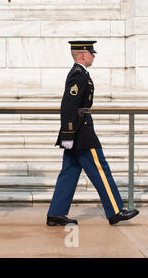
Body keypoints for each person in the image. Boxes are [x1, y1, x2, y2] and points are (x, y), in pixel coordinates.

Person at [47, 41, 139, 226]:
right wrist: (68, 133)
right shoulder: (78, 76)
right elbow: (68, 105)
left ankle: (56, 213)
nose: (93, 56)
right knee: (100, 169)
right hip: (81, 132)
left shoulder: (81, 74)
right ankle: (115, 210)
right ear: (83, 55)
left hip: (80, 130)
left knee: (69, 172)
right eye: (91, 53)